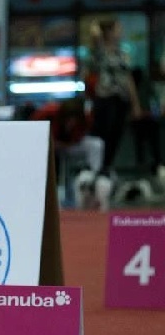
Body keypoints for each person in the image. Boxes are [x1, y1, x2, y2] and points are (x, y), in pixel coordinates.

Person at [86, 17, 143, 198]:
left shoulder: (122, 52)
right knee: (103, 133)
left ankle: (107, 166)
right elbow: (91, 67)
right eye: (117, 29)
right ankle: (97, 168)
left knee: (116, 133)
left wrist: (135, 104)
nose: (120, 33)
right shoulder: (99, 51)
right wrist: (97, 34)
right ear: (109, 32)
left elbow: (128, 78)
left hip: (121, 98)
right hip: (104, 97)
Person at [31, 97, 106, 209]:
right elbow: (33, 131)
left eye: (74, 119)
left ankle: (93, 179)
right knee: (43, 152)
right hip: (47, 145)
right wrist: (51, 143)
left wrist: (68, 143)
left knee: (96, 144)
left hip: (69, 145)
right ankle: (48, 194)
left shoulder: (85, 117)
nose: (72, 121)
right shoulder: (47, 112)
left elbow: (80, 136)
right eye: (69, 118)